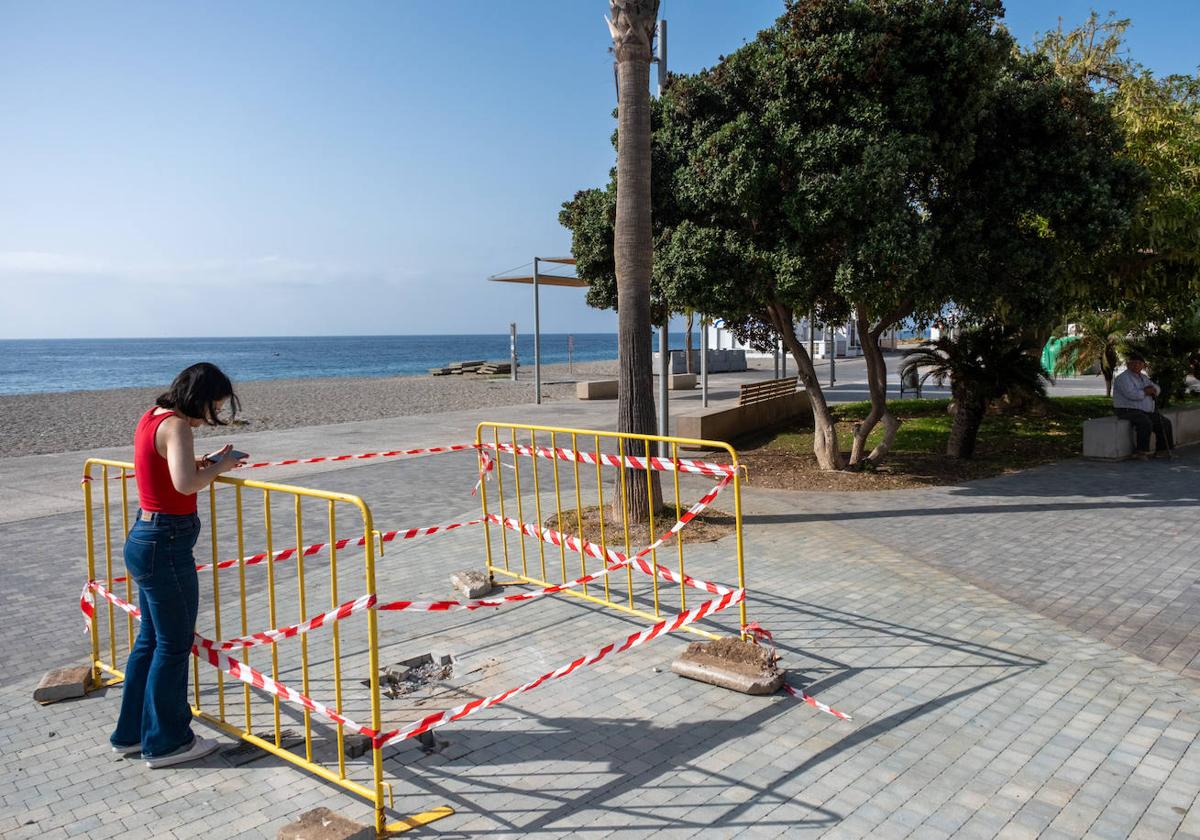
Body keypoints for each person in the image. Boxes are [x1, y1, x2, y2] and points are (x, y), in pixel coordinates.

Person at [110, 362, 247, 767]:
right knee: (173, 644)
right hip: (165, 543)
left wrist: (203, 461)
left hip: (146, 537)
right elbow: (184, 485)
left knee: (150, 641)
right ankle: (168, 741)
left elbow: (168, 470)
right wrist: (222, 465)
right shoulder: (177, 426)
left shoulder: (152, 417)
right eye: (215, 405)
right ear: (199, 398)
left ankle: (132, 734)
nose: (213, 415)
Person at [1112, 351, 1174, 460]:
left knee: (1165, 423)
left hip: (1144, 410)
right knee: (1145, 422)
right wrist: (1146, 392)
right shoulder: (1123, 378)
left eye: (1139, 363)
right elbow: (1132, 394)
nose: (1136, 365)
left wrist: (1152, 390)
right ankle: (1140, 452)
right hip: (1127, 410)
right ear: (1128, 364)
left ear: (1143, 365)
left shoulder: (1143, 377)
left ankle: (1162, 451)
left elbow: (1156, 388)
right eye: (1133, 363)